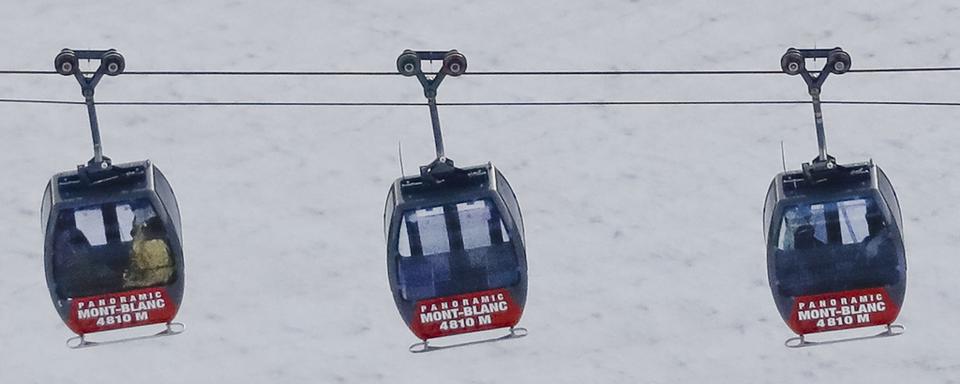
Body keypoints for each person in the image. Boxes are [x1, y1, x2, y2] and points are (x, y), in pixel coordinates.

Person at [123, 217, 174, 288]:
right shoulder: (165, 245)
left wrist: (131, 284)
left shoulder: (150, 247)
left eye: (145, 227)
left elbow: (154, 277)